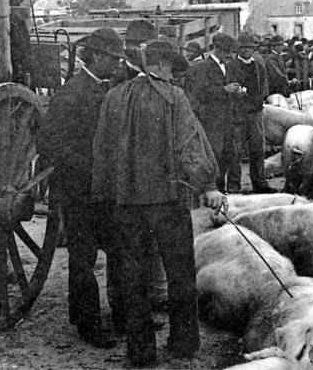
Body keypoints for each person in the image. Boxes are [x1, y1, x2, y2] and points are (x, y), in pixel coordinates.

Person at [91, 38, 228, 366]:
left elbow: (102, 151)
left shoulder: (113, 97)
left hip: (125, 204)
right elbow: (189, 144)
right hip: (167, 202)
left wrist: (107, 198)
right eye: (171, 69)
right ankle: (184, 341)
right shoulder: (173, 97)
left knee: (133, 277)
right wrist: (207, 185)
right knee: (180, 272)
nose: (174, 76)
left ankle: (140, 352)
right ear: (161, 66)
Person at [36, 28, 126, 349]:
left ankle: (122, 316)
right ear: (97, 57)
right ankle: (88, 325)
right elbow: (48, 143)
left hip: (102, 190)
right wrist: (86, 169)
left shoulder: (105, 89)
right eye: (113, 59)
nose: (117, 65)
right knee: (84, 257)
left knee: (118, 249)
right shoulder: (72, 93)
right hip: (78, 191)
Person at [186, 34, 239, 192]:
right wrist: (224, 89)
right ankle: (212, 191)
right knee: (213, 156)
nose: (229, 55)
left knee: (226, 157)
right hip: (212, 121)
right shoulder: (203, 67)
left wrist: (236, 90)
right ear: (218, 50)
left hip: (226, 120)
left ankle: (221, 189)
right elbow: (200, 93)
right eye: (227, 52)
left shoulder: (226, 66)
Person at [227, 34, 276, 194]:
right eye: (243, 48)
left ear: (253, 49)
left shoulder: (259, 66)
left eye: (249, 47)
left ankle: (259, 182)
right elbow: (229, 86)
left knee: (258, 148)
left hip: (255, 112)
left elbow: (263, 87)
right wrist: (236, 92)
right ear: (238, 49)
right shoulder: (232, 66)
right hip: (239, 113)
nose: (246, 50)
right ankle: (234, 185)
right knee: (236, 150)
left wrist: (259, 100)